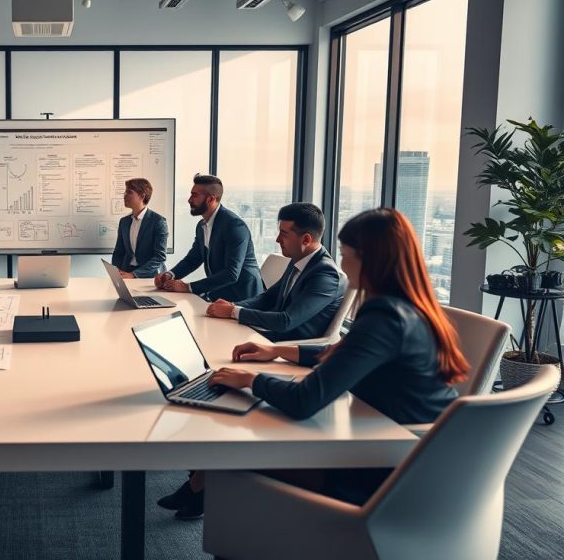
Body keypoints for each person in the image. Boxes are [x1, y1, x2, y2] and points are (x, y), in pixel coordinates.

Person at [159, 208, 468, 519]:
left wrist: (249, 381)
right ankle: (200, 488)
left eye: (346, 253)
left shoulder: (383, 317)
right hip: (416, 453)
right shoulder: (407, 307)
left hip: (389, 471)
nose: (343, 264)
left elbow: (304, 400)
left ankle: (211, 500)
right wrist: (281, 352)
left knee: (235, 450)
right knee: (247, 438)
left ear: (370, 260)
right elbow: (347, 352)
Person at [206, 202, 345, 342]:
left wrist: (233, 312)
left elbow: (286, 321)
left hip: (287, 344)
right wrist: (233, 306)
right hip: (270, 332)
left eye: (284, 234)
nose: (278, 239)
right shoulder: (298, 259)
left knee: (214, 336)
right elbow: (268, 297)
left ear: (306, 239)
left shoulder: (326, 275)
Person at [154, 174, 262, 302]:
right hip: (220, 294)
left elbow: (231, 274)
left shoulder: (234, 226)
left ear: (210, 199)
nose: (189, 200)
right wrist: (170, 275)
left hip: (243, 297)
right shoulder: (202, 225)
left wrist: (189, 287)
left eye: (195, 195)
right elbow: (193, 259)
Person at [110, 178, 168, 279]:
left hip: (151, 277)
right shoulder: (124, 222)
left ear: (142, 196)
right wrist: (117, 271)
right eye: (125, 192)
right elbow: (119, 251)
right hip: (126, 273)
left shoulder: (159, 222)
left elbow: (159, 257)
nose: (124, 195)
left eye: (129, 192)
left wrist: (134, 275)